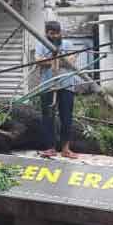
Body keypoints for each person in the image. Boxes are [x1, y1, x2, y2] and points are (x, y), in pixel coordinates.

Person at [37, 21, 78, 159]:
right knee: (48, 117)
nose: (55, 36)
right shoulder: (41, 45)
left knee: (66, 117)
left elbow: (71, 61)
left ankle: (66, 149)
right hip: (47, 86)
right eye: (52, 33)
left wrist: (53, 61)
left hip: (66, 86)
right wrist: (59, 61)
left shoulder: (68, 45)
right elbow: (38, 61)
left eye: (57, 33)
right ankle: (50, 148)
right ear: (47, 33)